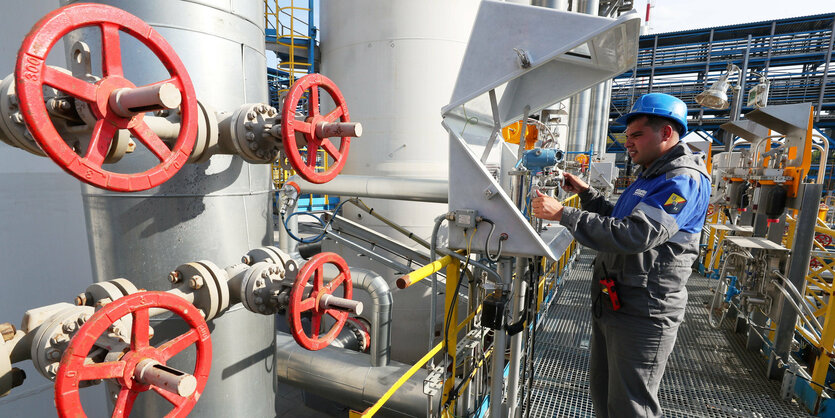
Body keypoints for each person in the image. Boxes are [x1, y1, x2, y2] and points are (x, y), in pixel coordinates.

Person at [531, 93, 711, 417]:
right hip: (615, 301)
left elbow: (636, 235)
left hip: (644, 311)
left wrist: (564, 216)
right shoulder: (651, 174)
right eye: (627, 137)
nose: (628, 143)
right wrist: (587, 195)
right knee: (605, 395)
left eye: (636, 135)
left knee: (630, 406)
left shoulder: (682, 181)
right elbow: (622, 220)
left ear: (666, 133)